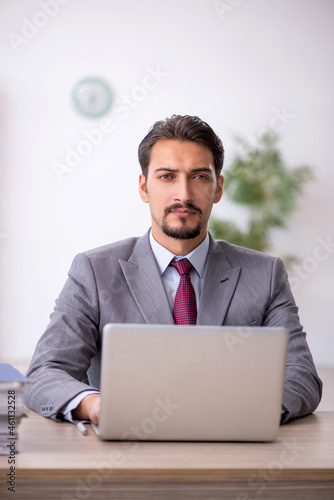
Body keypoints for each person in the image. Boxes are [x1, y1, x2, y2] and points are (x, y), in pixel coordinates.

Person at [25, 114, 322, 426]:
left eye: (199, 177)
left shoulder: (265, 274)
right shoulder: (94, 272)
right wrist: (96, 405)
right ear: (144, 187)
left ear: (218, 189)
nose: (184, 194)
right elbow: (46, 373)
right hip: (124, 455)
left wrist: (245, 411)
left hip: (232, 452)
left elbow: (301, 377)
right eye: (167, 176)